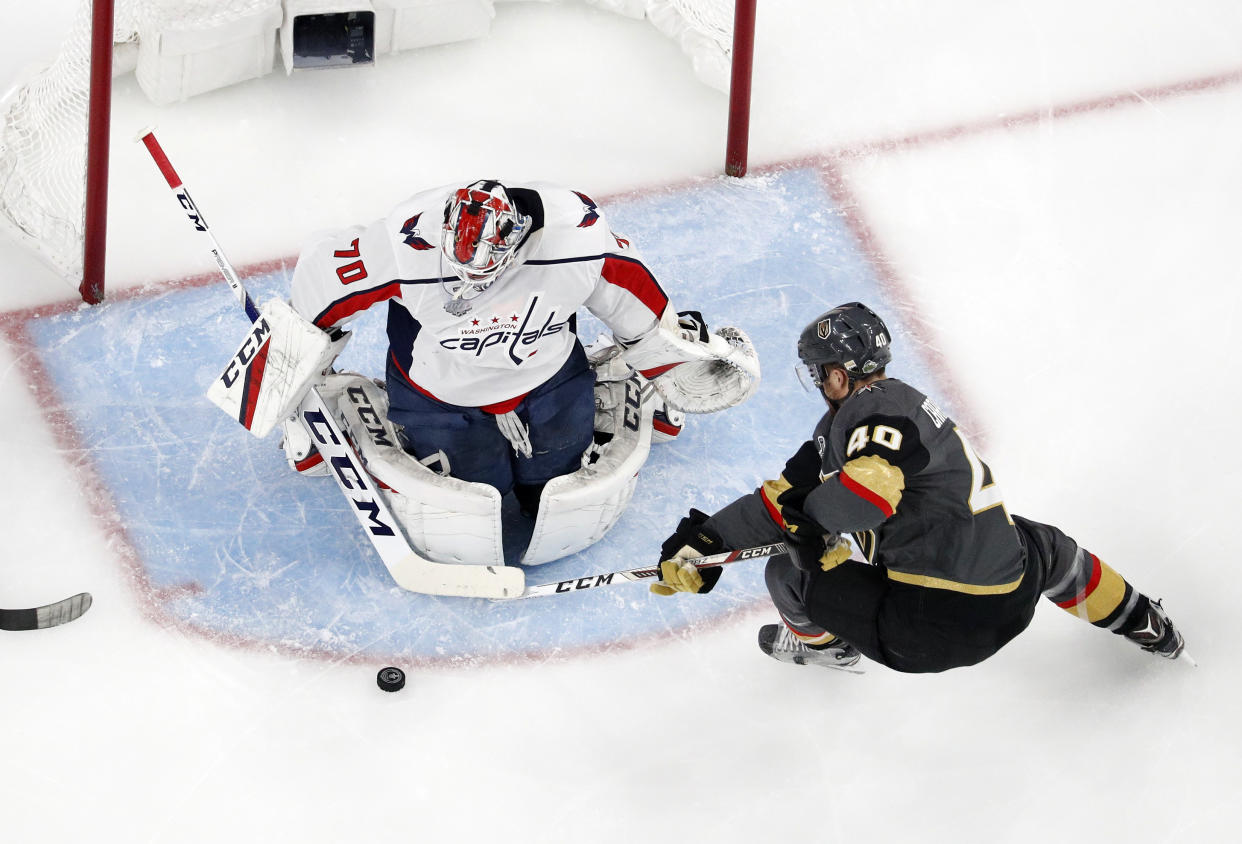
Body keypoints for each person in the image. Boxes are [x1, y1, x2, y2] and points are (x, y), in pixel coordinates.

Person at [650, 302, 1186, 673]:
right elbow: (780, 499)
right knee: (1045, 546)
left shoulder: (870, 413)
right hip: (1012, 598)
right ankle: (1145, 623)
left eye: (820, 372)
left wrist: (810, 529)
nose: (818, 383)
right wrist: (709, 540)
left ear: (839, 374)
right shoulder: (890, 410)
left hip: (927, 630)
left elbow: (869, 493)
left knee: (788, 572)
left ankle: (828, 648)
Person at [279, 180, 757, 556]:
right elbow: (318, 288)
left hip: (547, 382)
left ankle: (620, 380)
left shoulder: (578, 243)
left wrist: (669, 365)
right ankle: (346, 404)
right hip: (440, 394)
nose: (463, 289)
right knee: (472, 505)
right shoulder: (399, 248)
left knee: (558, 490)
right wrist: (294, 381)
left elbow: (639, 306)